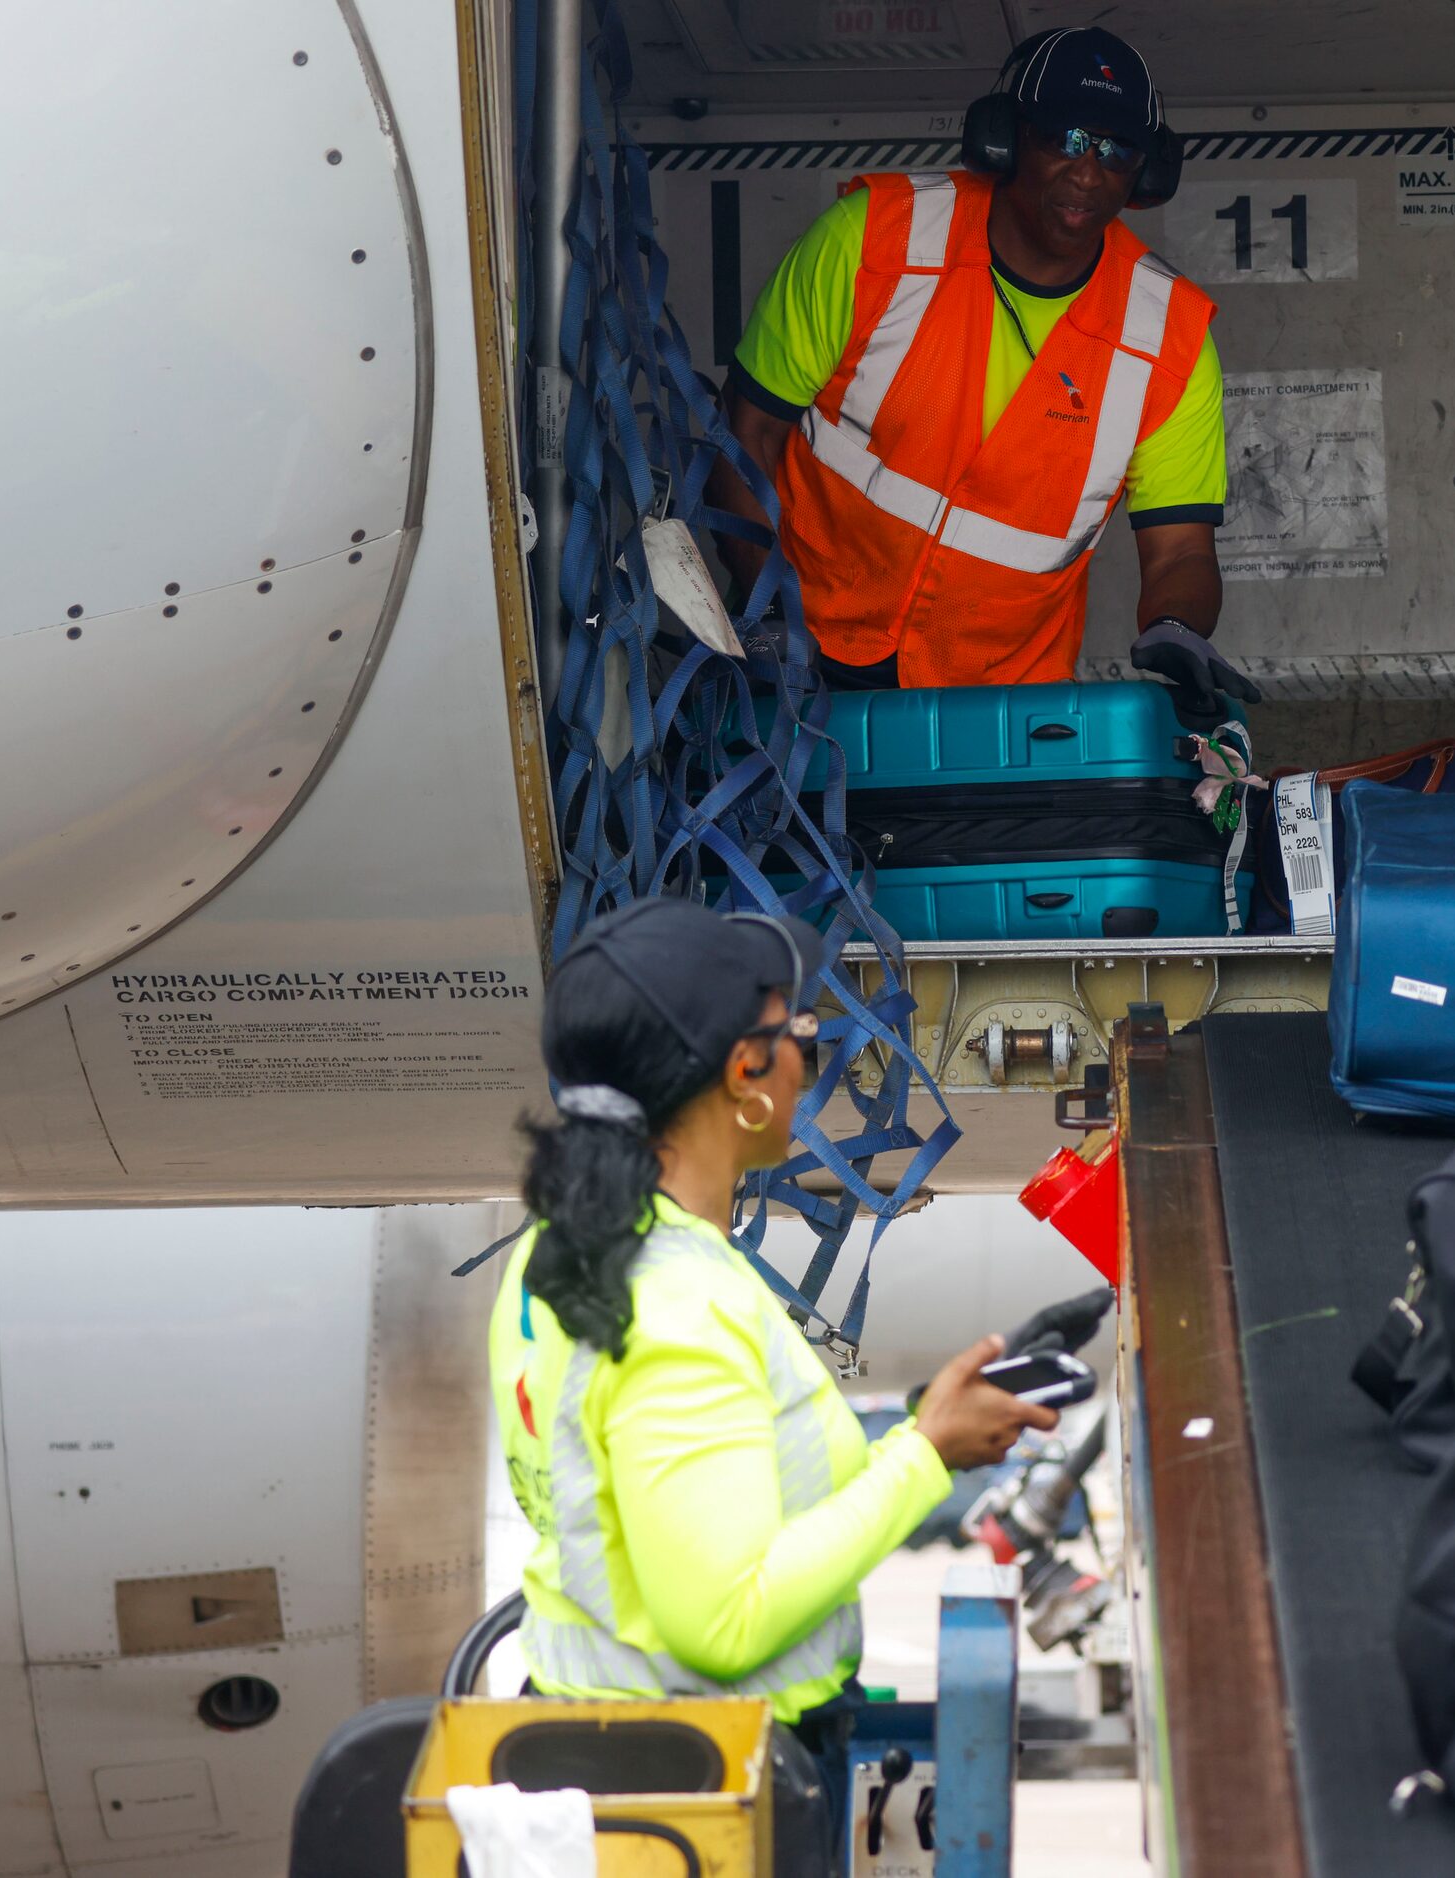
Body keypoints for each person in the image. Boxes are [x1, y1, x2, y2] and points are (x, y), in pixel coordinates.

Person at [488, 896, 1052, 1794]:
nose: (809, 1059)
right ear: (747, 1072)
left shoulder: (561, 1250)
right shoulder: (673, 1300)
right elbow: (725, 1623)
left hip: (600, 1751)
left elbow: (653, 1487)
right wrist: (925, 1456)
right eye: (806, 1034)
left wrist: (916, 1421)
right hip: (699, 1790)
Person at [716, 26, 1258, 722]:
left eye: (1117, 151)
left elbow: (1180, 548)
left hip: (1001, 702)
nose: (1089, 173)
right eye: (1066, 139)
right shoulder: (874, 237)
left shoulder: (1170, 338)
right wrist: (767, 617)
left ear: (1148, 175)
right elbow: (746, 434)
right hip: (802, 657)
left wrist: (1177, 627)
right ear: (1003, 139)